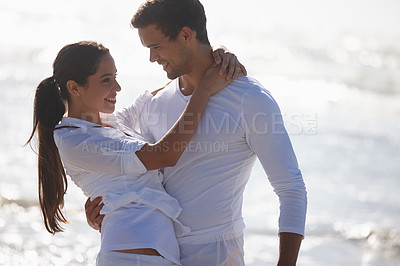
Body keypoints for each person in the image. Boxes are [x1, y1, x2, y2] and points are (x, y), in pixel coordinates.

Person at [86, 0, 308, 265]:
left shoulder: (249, 99)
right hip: (155, 251)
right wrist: (106, 207)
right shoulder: (154, 103)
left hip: (215, 254)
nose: (152, 58)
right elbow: (133, 171)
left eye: (156, 46)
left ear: (186, 35)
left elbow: (291, 188)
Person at [26, 41, 243, 266]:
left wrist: (216, 58)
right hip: (130, 257)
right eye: (106, 80)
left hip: (154, 254)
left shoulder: (115, 122)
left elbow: (170, 92)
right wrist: (206, 89)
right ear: (74, 88)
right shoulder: (74, 140)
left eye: (115, 77)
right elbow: (165, 155)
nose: (117, 87)